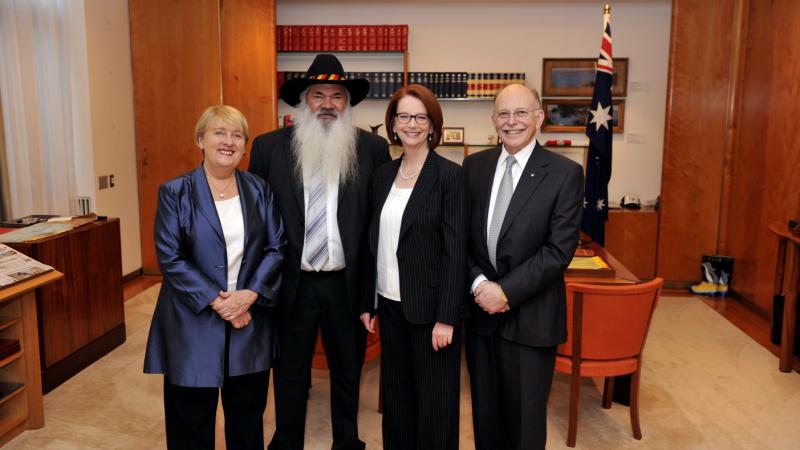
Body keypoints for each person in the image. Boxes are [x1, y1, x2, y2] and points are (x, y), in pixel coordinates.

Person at [248, 54, 391, 450]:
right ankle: (287, 440)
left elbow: (376, 226)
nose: (327, 104)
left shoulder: (372, 149)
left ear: (347, 104)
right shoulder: (268, 148)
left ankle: (347, 440)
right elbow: (256, 224)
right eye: (318, 94)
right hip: (290, 283)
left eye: (337, 96)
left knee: (348, 370)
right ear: (303, 101)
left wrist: (371, 293)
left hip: (345, 284)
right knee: (289, 370)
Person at [144, 105, 285, 450]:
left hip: (249, 320)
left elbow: (276, 247)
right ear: (200, 140)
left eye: (237, 135)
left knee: (247, 417)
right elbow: (171, 257)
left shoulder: (260, 190)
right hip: (192, 323)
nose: (228, 141)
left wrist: (249, 295)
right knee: (190, 421)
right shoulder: (175, 192)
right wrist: (221, 302)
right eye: (219, 132)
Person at [464, 84, 584, 450]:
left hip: (531, 319)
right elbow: (459, 239)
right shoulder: (474, 166)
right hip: (481, 315)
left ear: (538, 117)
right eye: (503, 113)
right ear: (493, 120)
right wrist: (479, 284)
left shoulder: (565, 173)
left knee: (525, 426)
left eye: (520, 113)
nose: (511, 121)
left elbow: (557, 251)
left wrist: (505, 292)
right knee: (485, 418)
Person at [359, 85, 466, 450]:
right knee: (398, 400)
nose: (412, 124)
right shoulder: (383, 175)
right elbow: (373, 243)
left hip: (432, 313)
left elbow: (456, 252)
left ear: (433, 126)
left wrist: (447, 317)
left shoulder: (450, 176)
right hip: (390, 306)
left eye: (420, 117)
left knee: (435, 407)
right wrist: (368, 301)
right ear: (392, 124)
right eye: (404, 116)